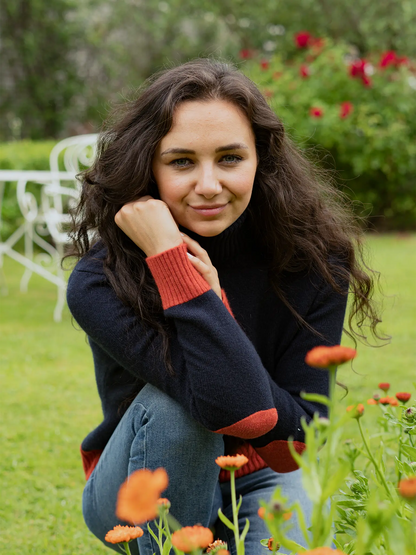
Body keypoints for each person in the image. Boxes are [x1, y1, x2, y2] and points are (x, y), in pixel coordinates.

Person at [66, 58, 380, 555]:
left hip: (263, 476)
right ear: (148, 166)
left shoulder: (315, 262)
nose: (208, 185)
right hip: (136, 487)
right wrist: (175, 267)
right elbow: (221, 406)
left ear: (262, 161)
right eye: (182, 161)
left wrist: (210, 302)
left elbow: (297, 434)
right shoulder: (100, 280)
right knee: (180, 406)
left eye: (230, 158)